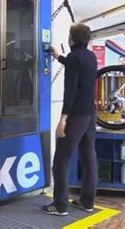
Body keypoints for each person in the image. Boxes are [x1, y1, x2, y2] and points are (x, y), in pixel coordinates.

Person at [42, 23, 98, 216]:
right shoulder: (90, 57)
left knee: (61, 161)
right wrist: (58, 57)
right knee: (89, 159)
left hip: (75, 117)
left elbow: (71, 91)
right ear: (87, 39)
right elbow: (78, 70)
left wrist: (63, 119)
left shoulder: (75, 58)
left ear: (71, 39)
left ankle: (59, 205)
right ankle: (87, 202)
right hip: (90, 115)